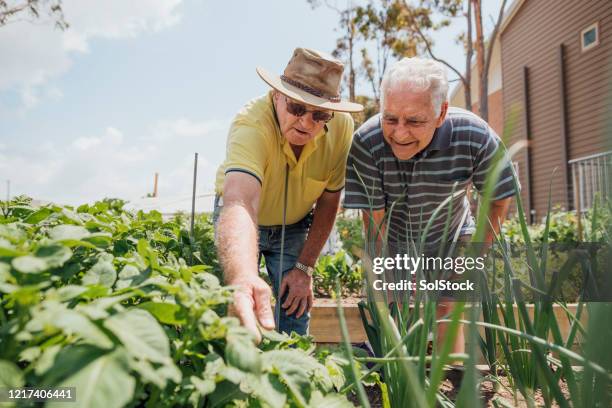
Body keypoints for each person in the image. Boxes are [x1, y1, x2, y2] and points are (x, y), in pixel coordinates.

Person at [344, 57, 518, 353]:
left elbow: (499, 199)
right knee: (393, 312)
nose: (399, 133)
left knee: (447, 311)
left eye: (414, 121)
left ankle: (449, 378)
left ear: (441, 113)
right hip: (395, 235)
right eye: (390, 118)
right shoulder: (368, 142)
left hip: (453, 232)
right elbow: (375, 224)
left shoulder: (474, 136)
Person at [214, 48, 363, 341]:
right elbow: (240, 201)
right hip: (246, 221)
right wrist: (243, 277)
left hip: (294, 225)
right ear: (276, 96)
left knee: (294, 310)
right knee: (235, 303)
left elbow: (330, 200)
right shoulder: (252, 125)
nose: (306, 123)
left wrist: (304, 268)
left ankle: (291, 373)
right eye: (297, 108)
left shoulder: (342, 127)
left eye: (319, 114)